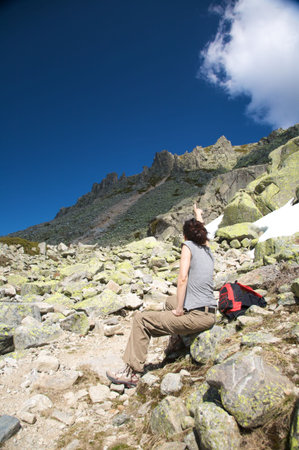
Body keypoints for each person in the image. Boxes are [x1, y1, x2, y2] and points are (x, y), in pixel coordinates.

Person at [106, 204, 217, 387]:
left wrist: (180, 309)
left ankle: (131, 372)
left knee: (141, 320)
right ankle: (177, 344)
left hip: (198, 316)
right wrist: (198, 215)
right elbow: (201, 230)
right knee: (169, 301)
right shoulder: (207, 248)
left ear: (185, 236)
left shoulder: (187, 246)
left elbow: (182, 279)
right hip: (210, 312)